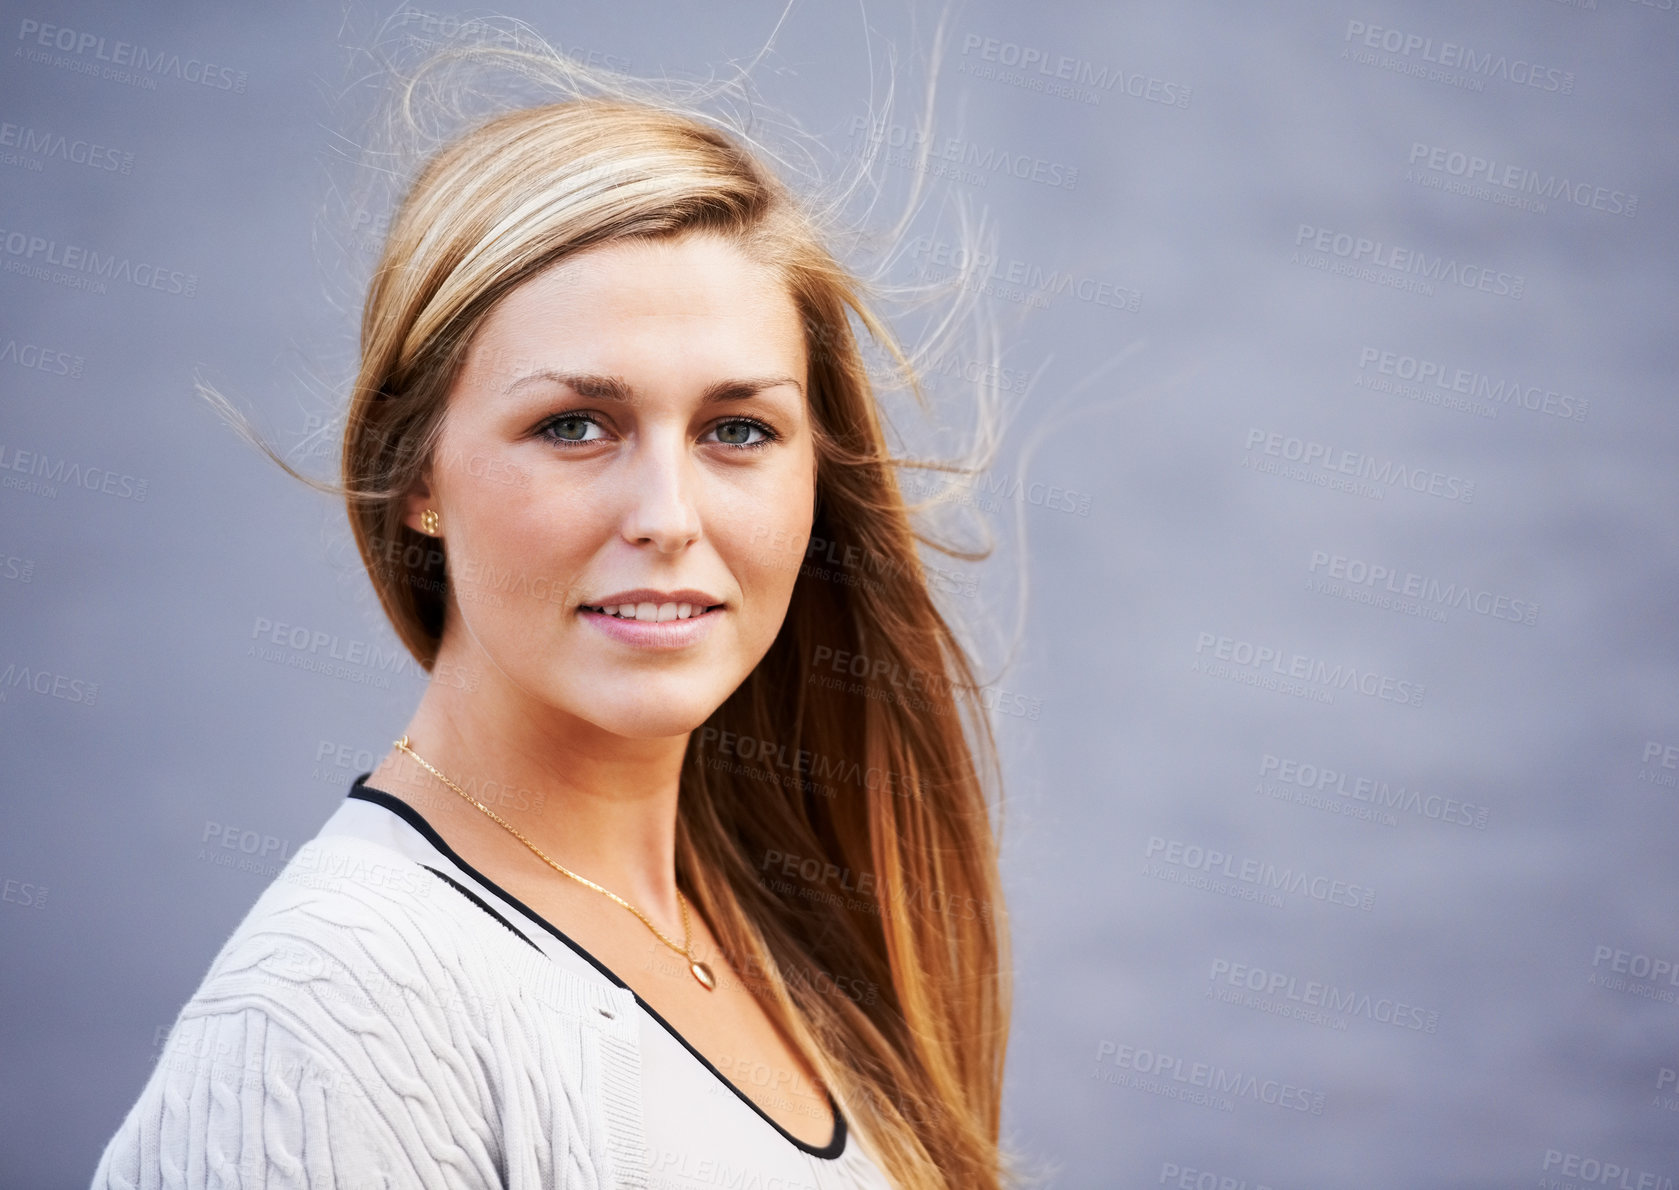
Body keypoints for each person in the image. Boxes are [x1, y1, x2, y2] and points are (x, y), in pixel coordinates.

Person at [92, 32, 1016, 1190]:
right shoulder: (329, 1019)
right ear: (414, 472)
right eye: (575, 425)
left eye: (738, 429)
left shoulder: (785, 929)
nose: (668, 514)